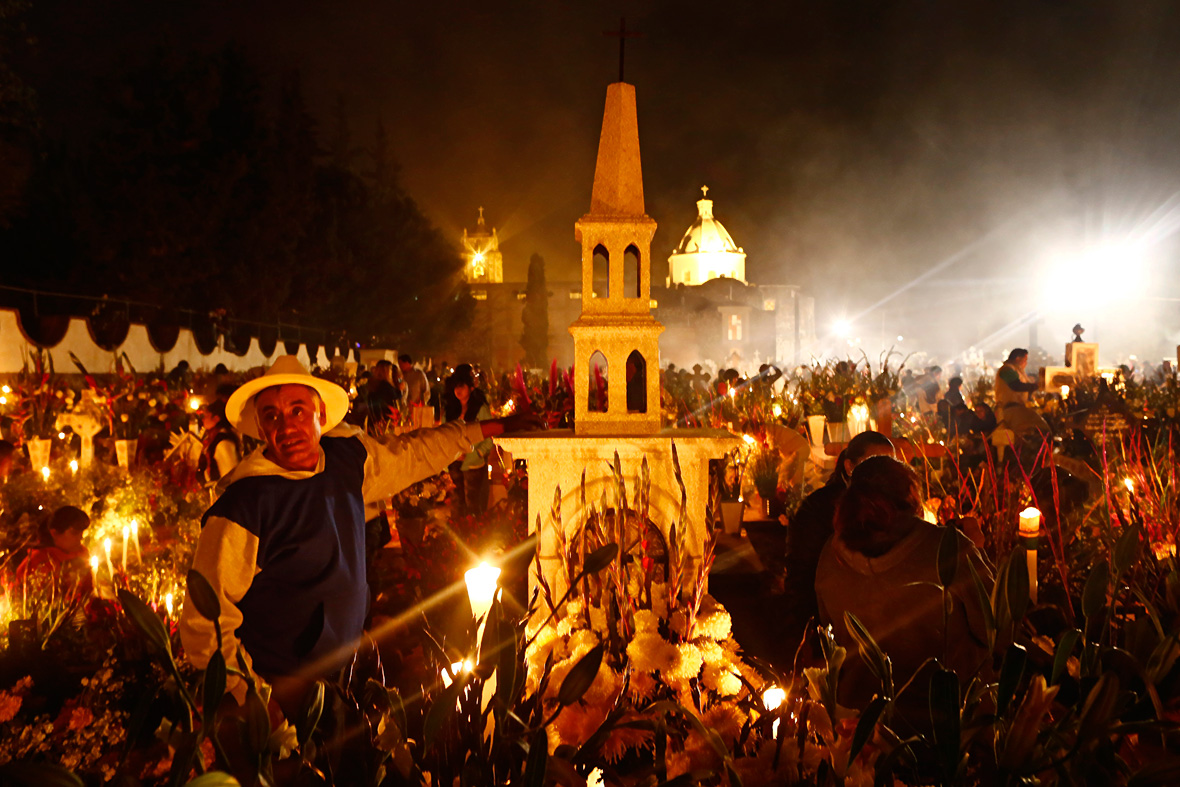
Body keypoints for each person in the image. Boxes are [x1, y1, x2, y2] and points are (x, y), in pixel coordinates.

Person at [179, 356, 537, 716]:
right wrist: (249, 696)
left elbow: (413, 453)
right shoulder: (243, 506)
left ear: (321, 414)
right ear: (259, 425)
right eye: (272, 415)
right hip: (282, 691)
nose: (286, 426)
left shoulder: (345, 459)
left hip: (347, 668)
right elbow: (204, 620)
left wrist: (488, 428)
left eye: (298, 410)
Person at [815, 456, 993, 736]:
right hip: (944, 726)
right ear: (911, 496)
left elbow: (828, 633)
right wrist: (976, 549)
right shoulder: (950, 550)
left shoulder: (830, 553)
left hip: (861, 725)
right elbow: (997, 628)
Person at [782, 431, 895, 643]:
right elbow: (802, 571)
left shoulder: (894, 504)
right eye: (874, 463)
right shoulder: (820, 508)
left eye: (891, 464)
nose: (885, 473)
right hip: (829, 618)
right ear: (850, 466)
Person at [443, 364, 495, 514]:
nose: (458, 390)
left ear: (471, 388)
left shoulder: (480, 409)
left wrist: (478, 453)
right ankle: (459, 532)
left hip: (474, 464)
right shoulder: (451, 410)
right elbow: (443, 435)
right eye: (455, 387)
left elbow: (489, 436)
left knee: (474, 503)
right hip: (454, 464)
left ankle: (475, 533)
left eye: (462, 386)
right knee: (457, 504)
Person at [17, 505, 92, 588]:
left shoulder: (82, 553)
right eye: (74, 533)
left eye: (82, 533)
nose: (81, 538)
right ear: (54, 533)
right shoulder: (37, 561)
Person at [994, 348, 1048, 435]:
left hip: (1018, 408)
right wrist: (1037, 386)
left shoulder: (1017, 371)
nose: (1026, 363)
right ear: (1018, 359)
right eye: (1025, 360)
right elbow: (1016, 386)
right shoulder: (1007, 369)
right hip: (1011, 409)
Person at [198, 400, 242, 485]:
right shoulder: (214, 438)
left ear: (216, 418)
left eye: (206, 416)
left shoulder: (223, 443)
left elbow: (230, 477)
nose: (203, 419)